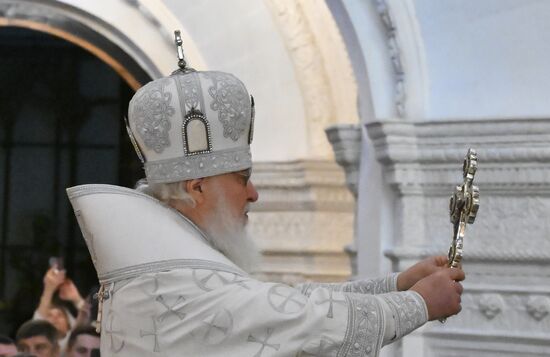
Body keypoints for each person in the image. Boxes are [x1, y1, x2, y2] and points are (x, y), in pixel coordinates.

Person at [66, 32, 464, 356]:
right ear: (197, 187)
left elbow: (284, 302)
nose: (254, 194)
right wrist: (418, 304)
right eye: (242, 178)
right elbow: (297, 318)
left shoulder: (169, 268)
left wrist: (397, 284)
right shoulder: (175, 281)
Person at [34, 265, 85, 350]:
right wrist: (49, 288)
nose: (55, 318)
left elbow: (90, 321)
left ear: (69, 324)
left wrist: (77, 299)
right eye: (49, 315)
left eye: (60, 315)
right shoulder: (37, 347)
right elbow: (37, 324)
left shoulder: (75, 345)